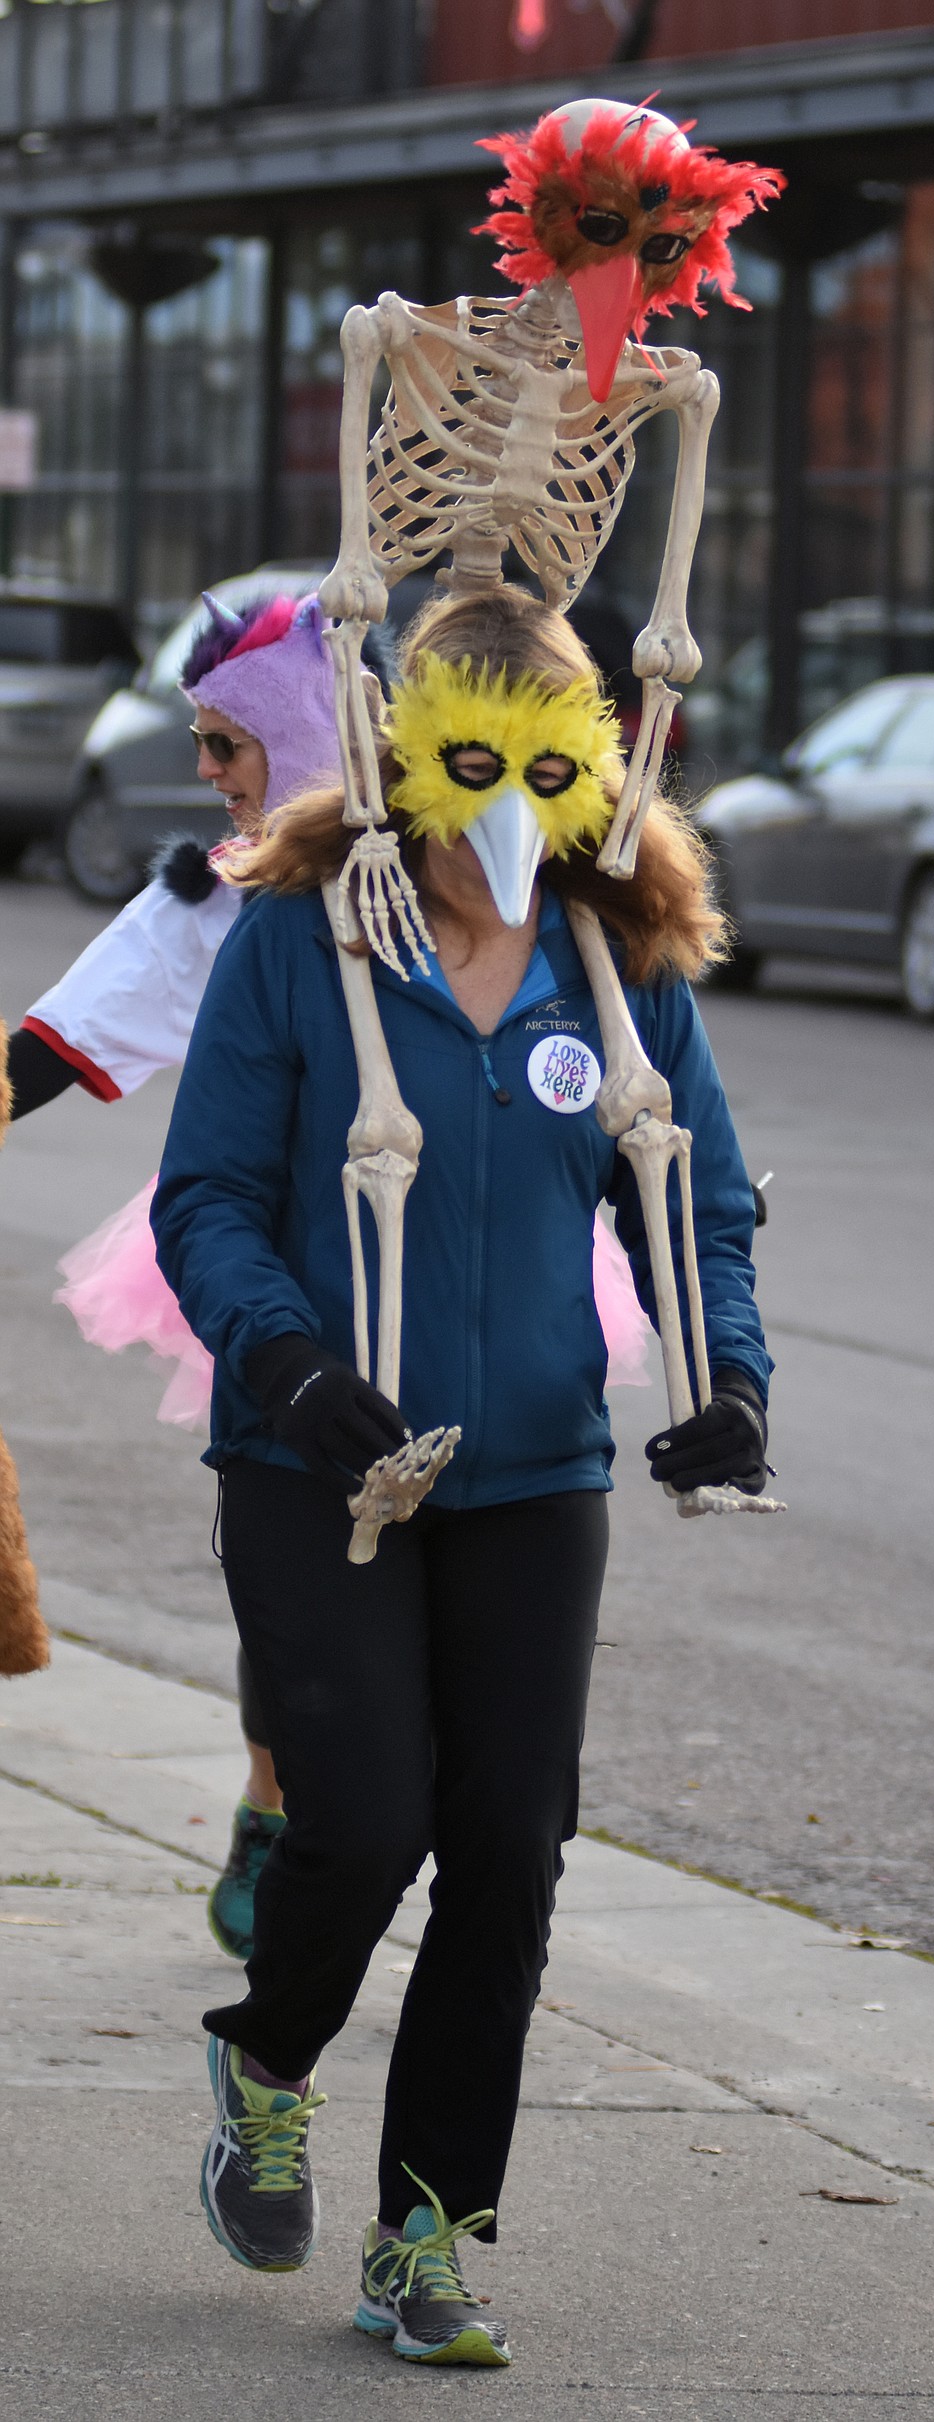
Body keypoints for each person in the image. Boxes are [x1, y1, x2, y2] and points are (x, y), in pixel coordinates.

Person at [152, 582, 771, 2368]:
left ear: (596, 764)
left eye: (546, 758)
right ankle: (267, 2057)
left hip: (530, 1476)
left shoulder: (613, 956)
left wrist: (728, 1379)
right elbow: (205, 1198)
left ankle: (426, 2236)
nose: (506, 791)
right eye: (469, 752)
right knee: (361, 1823)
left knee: (508, 1846)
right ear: (401, 754)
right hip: (317, 1461)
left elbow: (692, 1197)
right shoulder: (301, 936)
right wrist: (288, 1358)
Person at [6, 591, 346, 1955]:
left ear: (306, 734)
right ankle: (274, 1802)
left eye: (226, 741)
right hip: (254, 1265)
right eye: (201, 741)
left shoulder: (462, 880)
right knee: (285, 1548)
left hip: (452, 1255)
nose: (204, 771)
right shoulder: (212, 900)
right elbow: (49, 1047)